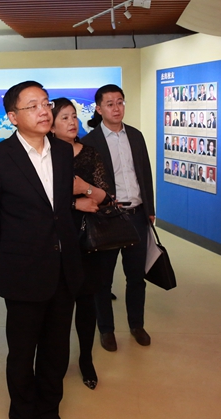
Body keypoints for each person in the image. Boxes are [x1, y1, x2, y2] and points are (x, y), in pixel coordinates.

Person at [0, 82, 83, 418]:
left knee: (56, 350)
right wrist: (11, 256)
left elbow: (61, 210)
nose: (43, 111)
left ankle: (49, 410)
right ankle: (22, 411)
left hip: (64, 269)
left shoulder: (63, 152)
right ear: (13, 117)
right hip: (23, 272)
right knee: (22, 353)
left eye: (46, 104)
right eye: (32, 106)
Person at [82, 84, 154, 351]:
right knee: (103, 279)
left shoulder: (135, 136)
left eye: (120, 102)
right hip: (107, 217)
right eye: (110, 104)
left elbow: (144, 174)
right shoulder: (89, 142)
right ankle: (106, 329)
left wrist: (149, 209)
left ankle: (137, 325)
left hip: (136, 215)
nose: (116, 108)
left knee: (136, 276)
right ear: (99, 109)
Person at [50, 98, 111, 391]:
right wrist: (76, 204)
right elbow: (41, 201)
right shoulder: (44, 156)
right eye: (64, 117)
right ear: (50, 125)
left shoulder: (90, 153)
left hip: (88, 240)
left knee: (87, 304)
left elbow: (105, 196)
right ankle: (57, 362)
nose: (72, 122)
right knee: (59, 308)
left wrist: (85, 189)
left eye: (74, 116)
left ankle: (86, 359)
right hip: (55, 241)